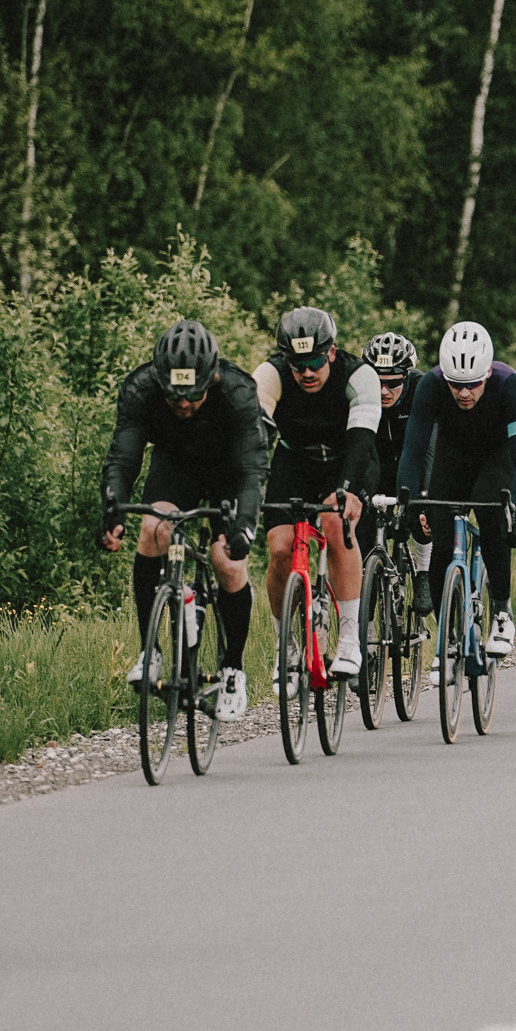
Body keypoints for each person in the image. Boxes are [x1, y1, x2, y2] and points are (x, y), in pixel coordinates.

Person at [102, 318, 267, 722]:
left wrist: (244, 524)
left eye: (194, 395)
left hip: (228, 468)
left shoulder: (237, 392)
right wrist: (112, 507)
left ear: (211, 378)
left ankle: (233, 669)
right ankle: (151, 651)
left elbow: (252, 469)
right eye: (174, 396)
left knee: (227, 562)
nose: (184, 405)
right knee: (153, 528)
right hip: (175, 465)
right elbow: (123, 456)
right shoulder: (141, 389)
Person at [254, 308, 382, 678]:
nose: (306, 372)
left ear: (331, 351)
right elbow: (256, 434)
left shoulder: (358, 376)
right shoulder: (270, 374)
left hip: (348, 460)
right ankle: (287, 646)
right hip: (294, 462)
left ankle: (349, 641)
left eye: (313, 361)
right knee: (279, 547)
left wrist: (346, 491)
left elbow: (361, 442)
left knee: (333, 519)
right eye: (297, 364)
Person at [397, 321, 516, 660]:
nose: (464, 393)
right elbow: (413, 452)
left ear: (487, 372)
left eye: (472, 384)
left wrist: (515, 514)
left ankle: (502, 613)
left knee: (494, 518)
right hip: (453, 458)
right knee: (440, 542)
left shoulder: (509, 385)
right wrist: (410, 506)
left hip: (495, 458)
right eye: (456, 385)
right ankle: (452, 635)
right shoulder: (430, 385)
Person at [357, 332, 429, 602]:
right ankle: (369, 624)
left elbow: (431, 449)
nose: (383, 391)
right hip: (378, 467)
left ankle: (423, 571)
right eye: (377, 382)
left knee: (420, 513)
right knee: (362, 534)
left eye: (392, 383)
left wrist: (426, 495)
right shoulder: (360, 392)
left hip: (414, 465)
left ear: (407, 377)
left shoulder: (422, 389)